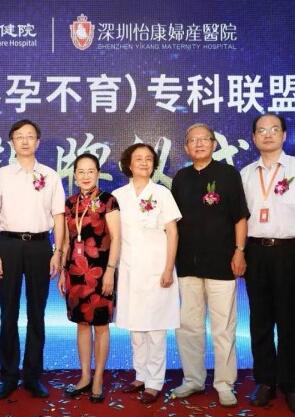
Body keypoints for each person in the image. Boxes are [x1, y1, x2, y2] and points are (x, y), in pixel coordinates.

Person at [240, 113, 295, 415]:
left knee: (289, 320)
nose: (268, 134)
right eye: (261, 130)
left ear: (284, 135)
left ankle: (291, 384)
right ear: (254, 138)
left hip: (290, 251)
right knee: (259, 320)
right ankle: (265, 381)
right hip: (255, 252)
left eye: (274, 129)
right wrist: (239, 251)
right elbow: (240, 219)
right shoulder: (245, 173)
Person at [0, 119, 65, 400]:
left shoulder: (50, 175)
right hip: (9, 246)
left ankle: (32, 376)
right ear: (12, 142)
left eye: (30, 136)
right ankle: (8, 376)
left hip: (41, 246)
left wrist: (58, 252)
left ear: (38, 142)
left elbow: (58, 217)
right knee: (8, 312)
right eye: (20, 136)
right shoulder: (2, 175)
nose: (25, 141)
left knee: (37, 313)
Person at [170, 123, 249, 407]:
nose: (199, 144)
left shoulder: (228, 174)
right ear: (186, 147)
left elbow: (240, 217)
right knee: (188, 326)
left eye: (204, 139)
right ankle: (193, 379)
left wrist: (240, 251)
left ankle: (225, 383)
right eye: (193, 140)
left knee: (223, 327)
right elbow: (173, 224)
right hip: (187, 263)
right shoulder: (180, 178)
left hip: (222, 262)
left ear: (214, 144)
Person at [112, 143, 181, 404]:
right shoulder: (118, 195)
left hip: (157, 269)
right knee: (136, 328)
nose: (144, 162)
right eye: (138, 158)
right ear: (128, 165)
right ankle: (140, 375)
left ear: (154, 165)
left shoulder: (162, 193)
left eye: (149, 159)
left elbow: (172, 232)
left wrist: (168, 268)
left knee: (155, 329)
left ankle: (154, 382)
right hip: (129, 270)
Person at [57, 153, 121, 403]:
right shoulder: (70, 203)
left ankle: (98, 379)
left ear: (98, 174)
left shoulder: (108, 200)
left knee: (101, 326)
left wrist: (110, 271)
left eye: (90, 171)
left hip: (101, 272)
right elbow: (66, 240)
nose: (85, 176)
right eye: (81, 172)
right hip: (75, 272)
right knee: (82, 324)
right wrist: (63, 271)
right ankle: (85, 376)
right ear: (75, 175)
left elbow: (117, 239)